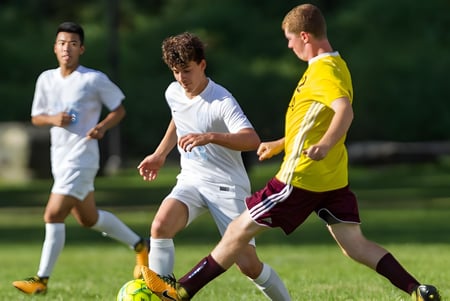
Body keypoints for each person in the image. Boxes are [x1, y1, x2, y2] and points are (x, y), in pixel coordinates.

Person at [140, 4, 441, 301]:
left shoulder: (323, 70)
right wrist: (282, 143)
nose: (289, 45)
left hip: (299, 178)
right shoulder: (336, 65)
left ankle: (180, 292)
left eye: (290, 38)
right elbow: (314, 121)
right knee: (355, 245)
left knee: (236, 232)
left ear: (305, 36)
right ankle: (417, 290)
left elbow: (344, 112)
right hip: (331, 179)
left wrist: (323, 145)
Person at [136, 32, 290, 300]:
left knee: (248, 265)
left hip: (226, 186)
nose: (182, 79)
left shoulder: (221, 100)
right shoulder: (173, 92)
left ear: (202, 65)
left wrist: (209, 136)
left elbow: (251, 139)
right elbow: (178, 117)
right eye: (175, 72)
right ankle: (162, 295)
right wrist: (160, 154)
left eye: (187, 70)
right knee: (160, 226)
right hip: (191, 180)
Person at [12, 22, 148, 295]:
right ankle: (141, 246)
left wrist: (102, 127)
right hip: (59, 158)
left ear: (81, 49)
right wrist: (54, 119)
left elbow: (118, 110)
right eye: (62, 43)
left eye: (73, 44)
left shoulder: (92, 79)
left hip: (83, 156)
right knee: (88, 218)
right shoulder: (46, 79)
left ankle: (41, 280)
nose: (67, 48)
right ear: (55, 47)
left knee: (52, 213)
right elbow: (37, 117)